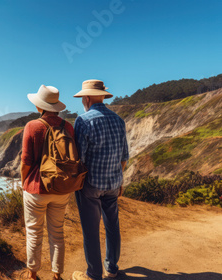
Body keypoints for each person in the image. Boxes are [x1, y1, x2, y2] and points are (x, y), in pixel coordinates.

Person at [70, 80, 129, 280]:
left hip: (91, 185)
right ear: (103, 96)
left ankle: (93, 274)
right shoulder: (119, 120)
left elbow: (81, 158)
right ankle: (111, 268)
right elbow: (124, 156)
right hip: (113, 183)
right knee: (112, 225)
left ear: (86, 98)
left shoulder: (83, 121)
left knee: (91, 230)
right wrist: (119, 181)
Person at [21, 84, 75, 280]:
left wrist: (23, 182)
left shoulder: (32, 126)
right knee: (57, 232)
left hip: (37, 188)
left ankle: (32, 274)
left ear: (39, 106)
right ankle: (57, 274)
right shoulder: (68, 126)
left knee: (34, 231)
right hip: (61, 187)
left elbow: (25, 161)